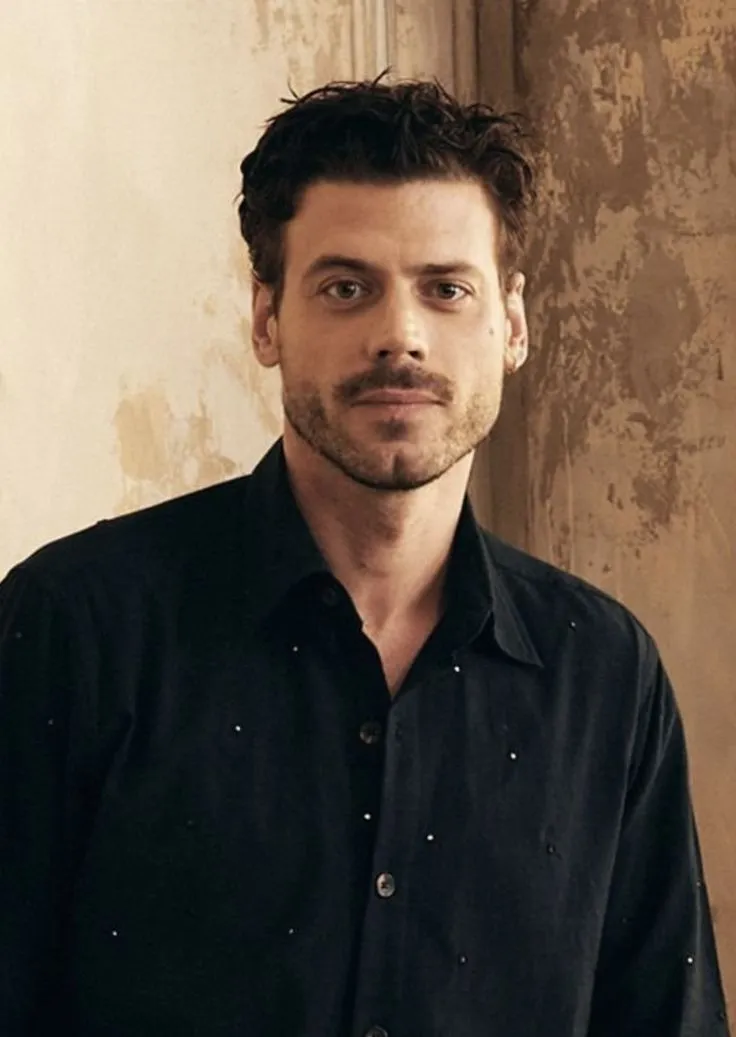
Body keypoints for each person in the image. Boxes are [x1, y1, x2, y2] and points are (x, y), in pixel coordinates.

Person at [0, 75, 730, 1037]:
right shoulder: (74, 625)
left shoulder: (605, 671)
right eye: (346, 288)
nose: (400, 335)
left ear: (511, 323)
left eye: (446, 289)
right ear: (265, 317)